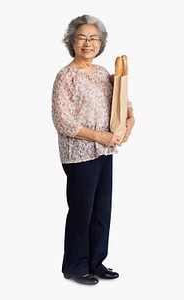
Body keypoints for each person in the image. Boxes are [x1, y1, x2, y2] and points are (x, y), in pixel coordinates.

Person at [52, 14, 135, 285]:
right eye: (82, 38)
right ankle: (75, 266)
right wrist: (99, 136)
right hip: (79, 154)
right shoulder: (66, 76)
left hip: (105, 152)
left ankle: (96, 262)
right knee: (81, 210)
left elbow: (121, 100)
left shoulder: (102, 73)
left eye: (94, 38)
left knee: (102, 209)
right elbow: (63, 120)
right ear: (72, 42)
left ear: (101, 43)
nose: (88, 43)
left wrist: (130, 117)